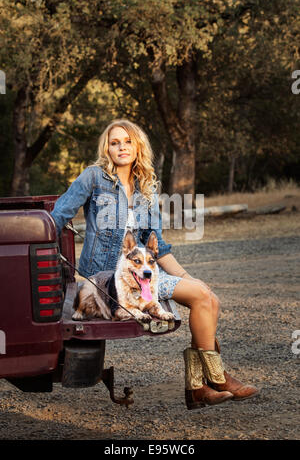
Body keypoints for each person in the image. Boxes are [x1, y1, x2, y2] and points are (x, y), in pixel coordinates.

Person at [51, 118, 259, 409]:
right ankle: (214, 380)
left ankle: (201, 386)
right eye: (115, 142)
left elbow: (157, 248)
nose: (121, 147)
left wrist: (190, 277)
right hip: (106, 283)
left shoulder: (146, 190)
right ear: (107, 149)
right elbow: (58, 215)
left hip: (144, 278)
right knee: (202, 298)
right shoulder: (93, 178)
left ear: (138, 146)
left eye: (127, 141)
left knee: (209, 297)